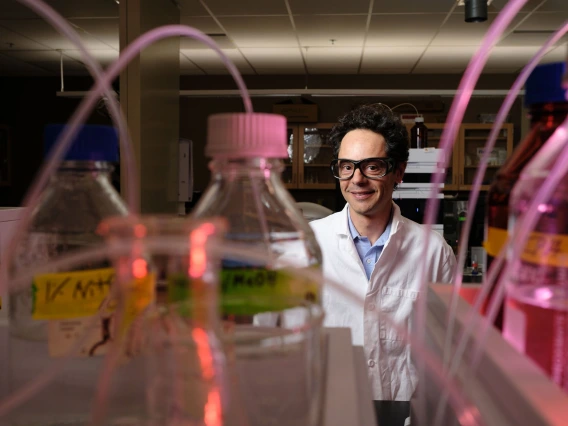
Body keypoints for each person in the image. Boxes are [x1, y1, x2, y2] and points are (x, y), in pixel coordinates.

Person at [310, 104, 456, 403]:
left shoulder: (433, 252)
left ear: (398, 171)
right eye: (346, 166)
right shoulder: (308, 243)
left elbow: (448, 349)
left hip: (407, 413)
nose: (357, 179)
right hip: (328, 410)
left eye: (372, 166)